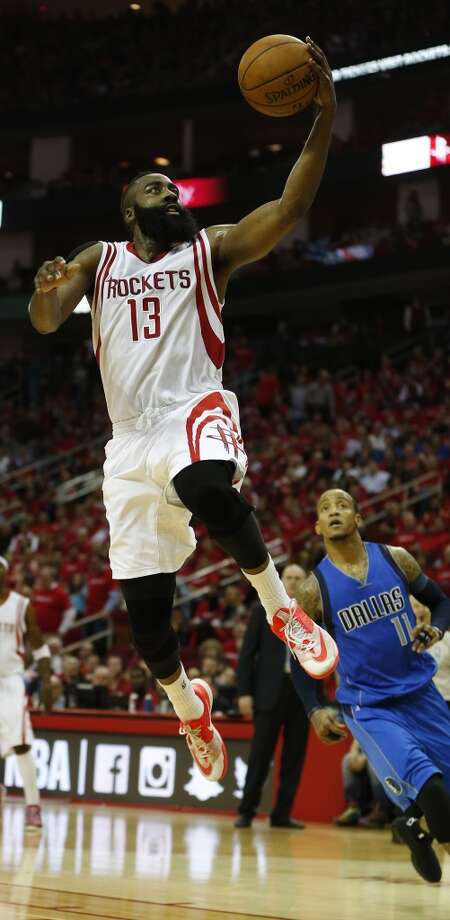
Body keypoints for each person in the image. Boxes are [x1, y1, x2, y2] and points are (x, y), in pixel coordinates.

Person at [29, 40, 339, 783]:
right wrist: (46, 290)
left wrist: (322, 114)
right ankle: (187, 709)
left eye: (176, 191)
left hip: (193, 406)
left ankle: (281, 611)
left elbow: (292, 205)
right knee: (144, 617)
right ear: (128, 207)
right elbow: (45, 319)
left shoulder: (212, 252)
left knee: (207, 487)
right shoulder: (99, 259)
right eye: (156, 190)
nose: (173, 198)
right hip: (129, 442)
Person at [290, 489, 450, 883]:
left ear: (358, 517)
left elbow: (443, 604)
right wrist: (314, 709)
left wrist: (436, 628)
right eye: (325, 508)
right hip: (370, 706)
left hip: (421, 692)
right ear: (317, 527)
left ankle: (416, 828)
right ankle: (425, 824)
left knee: (445, 793)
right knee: (429, 784)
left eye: (342, 505)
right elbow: (299, 657)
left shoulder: (396, 559)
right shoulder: (314, 590)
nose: (334, 511)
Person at [235, 564, 309, 829]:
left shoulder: (314, 614)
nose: (292, 581)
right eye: (288, 577)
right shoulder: (263, 609)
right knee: (260, 755)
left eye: (297, 578)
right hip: (268, 691)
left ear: (304, 582)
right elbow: (247, 654)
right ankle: (246, 811)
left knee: (294, 756)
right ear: (280, 580)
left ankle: (282, 814)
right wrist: (243, 691)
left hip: (303, 694)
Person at [0, 556, 52, 831]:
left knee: (20, 743)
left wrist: (47, 680)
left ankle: (33, 806)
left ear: (6, 574)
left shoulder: (21, 605)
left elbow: (39, 644)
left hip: (10, 680)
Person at [334, 739, 391, 829]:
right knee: (347, 760)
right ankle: (353, 808)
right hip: (367, 756)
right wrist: (354, 755)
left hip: (385, 758)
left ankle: (381, 810)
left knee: (374, 762)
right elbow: (357, 739)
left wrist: (366, 757)